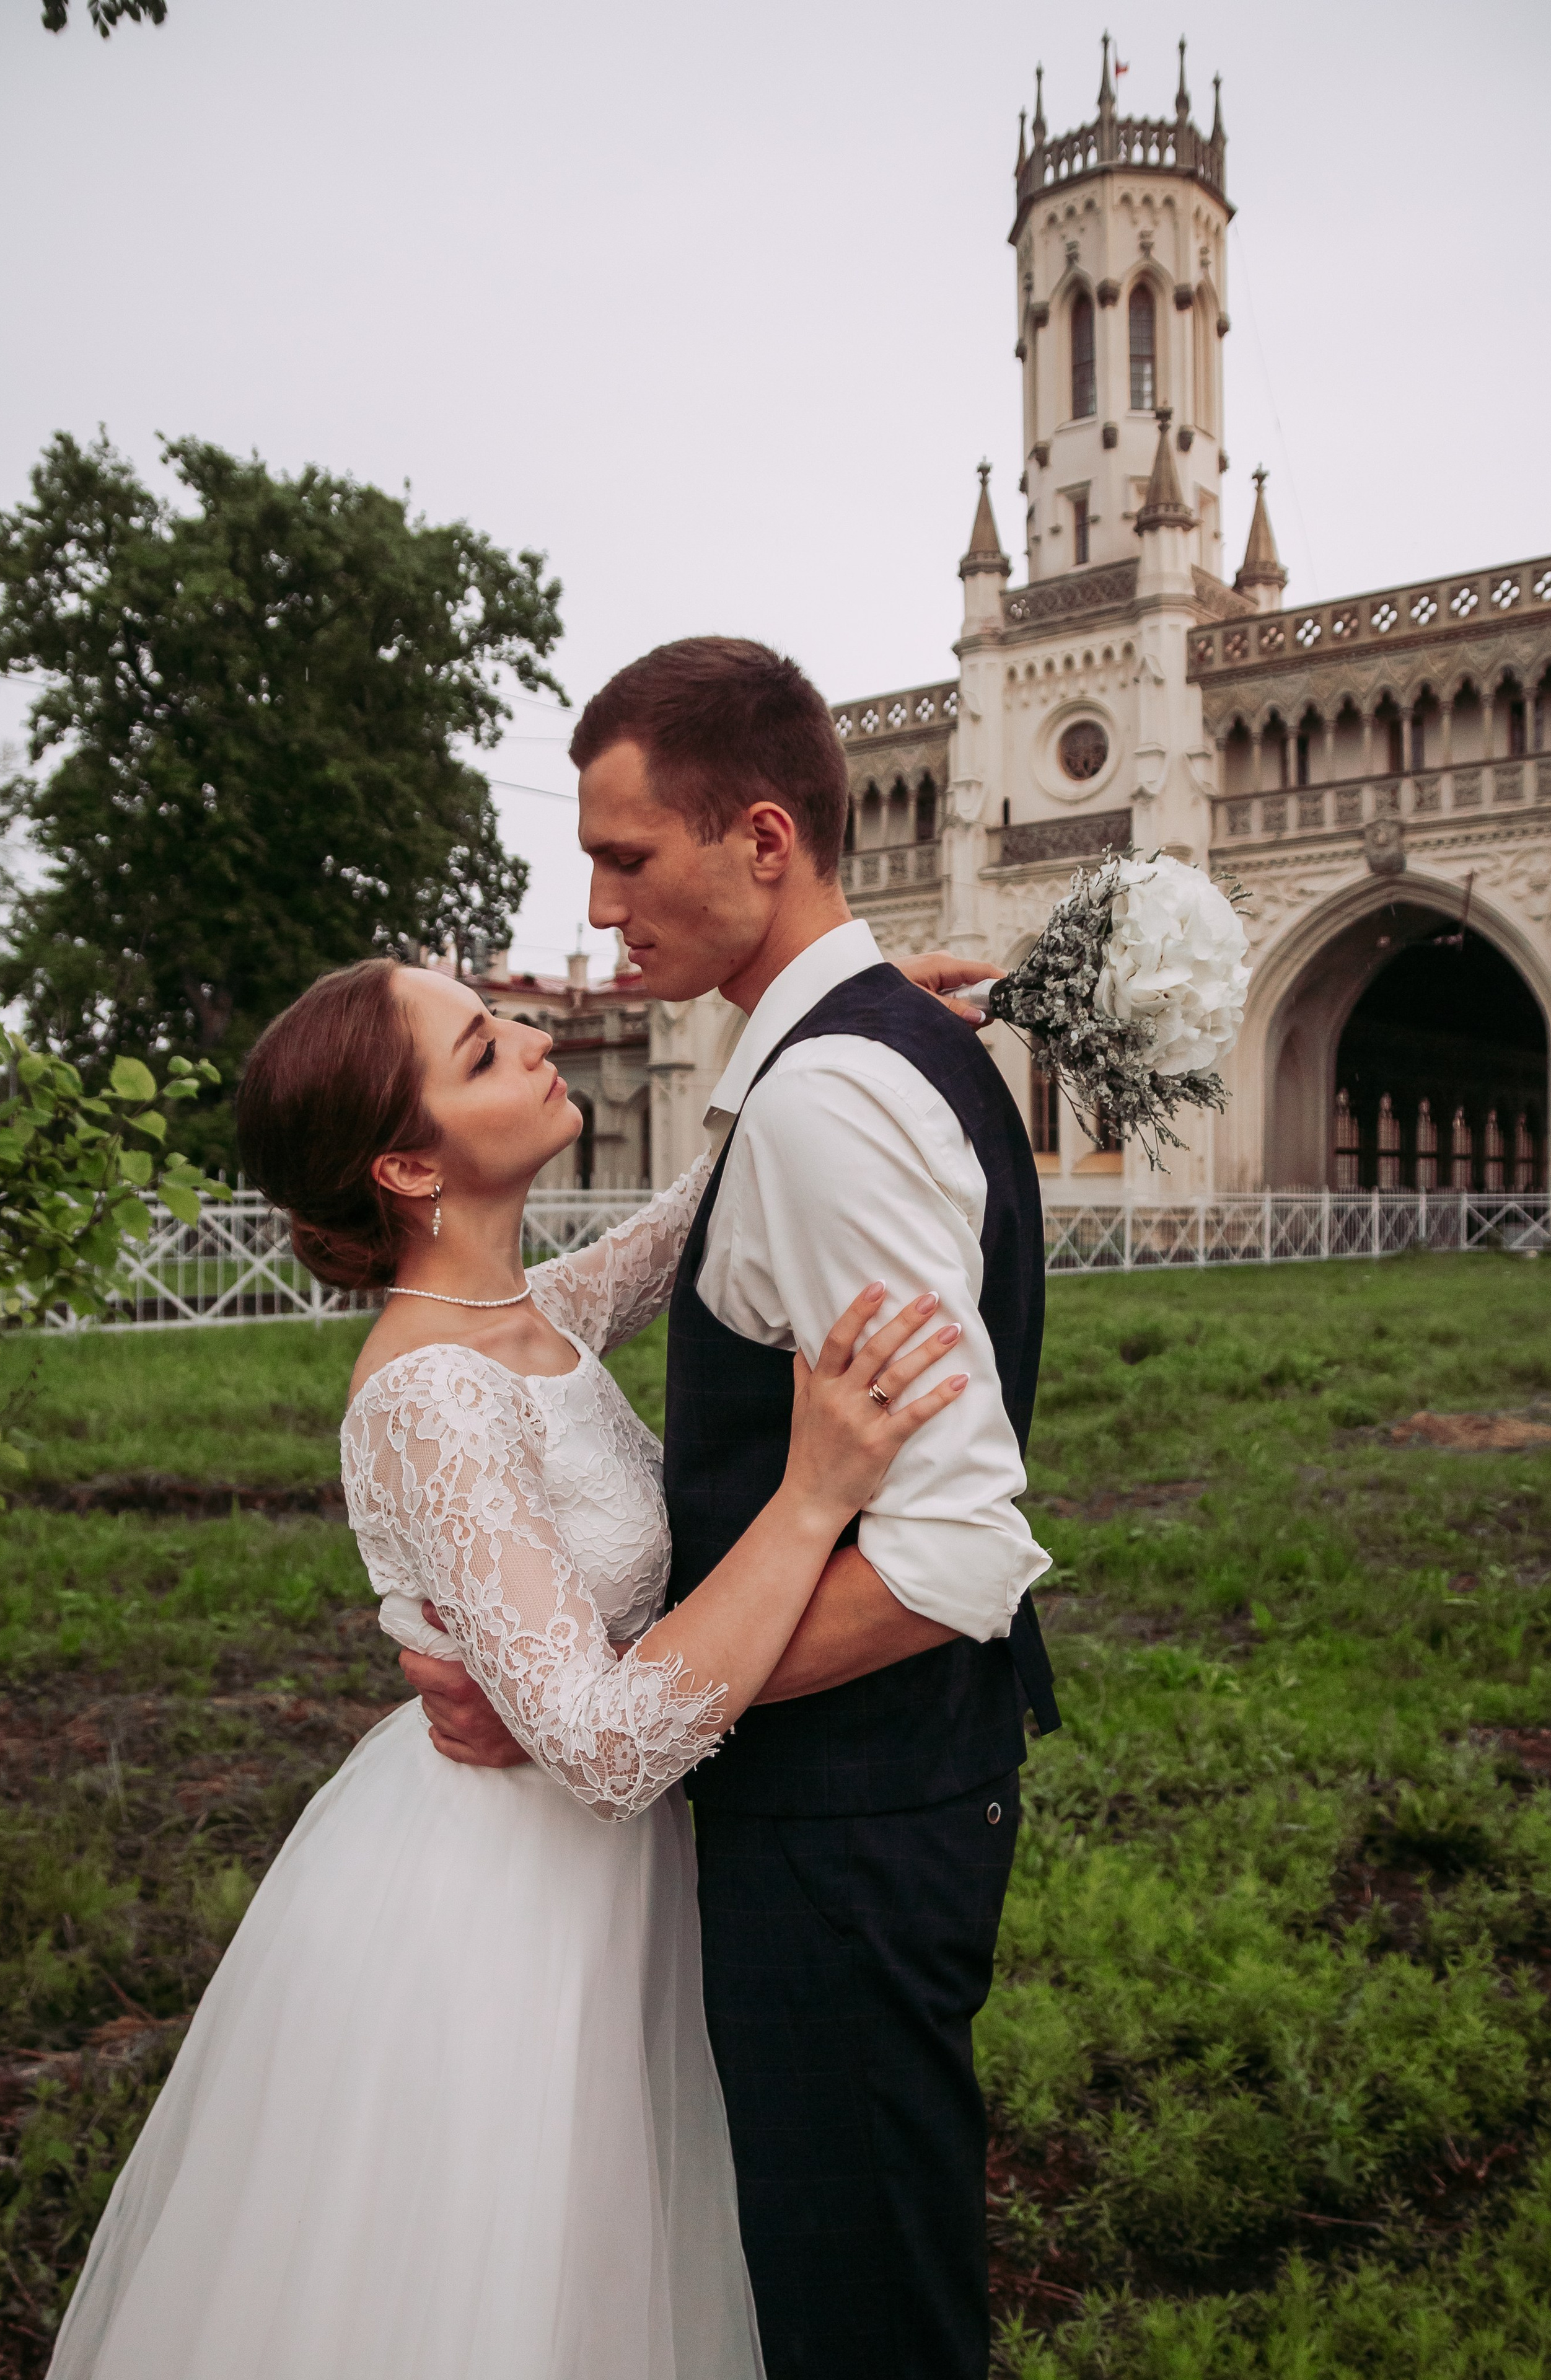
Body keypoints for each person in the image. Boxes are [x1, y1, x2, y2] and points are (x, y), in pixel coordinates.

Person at [48, 952, 968, 2380]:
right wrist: (812, 1495)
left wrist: (852, 1002)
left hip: (614, 1890)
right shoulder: (427, 1395)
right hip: (506, 1912)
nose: (536, 1041)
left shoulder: (521, 1315)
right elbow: (599, 1749)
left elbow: (695, 1214)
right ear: (410, 1167)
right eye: (484, 1052)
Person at [405, 636, 1061, 2380]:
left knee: (870, 2323)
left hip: (850, 1826)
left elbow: (956, 1554)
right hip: (859, 1809)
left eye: (626, 856)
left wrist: (610, 1711)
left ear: (761, 840)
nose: (599, 907)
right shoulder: (829, 1068)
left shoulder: (831, 1097)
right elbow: (539, 1318)